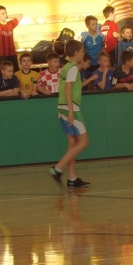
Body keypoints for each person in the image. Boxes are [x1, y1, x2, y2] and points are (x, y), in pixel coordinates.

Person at [49, 40, 91, 188]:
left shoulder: (65, 68)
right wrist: (71, 111)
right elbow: (67, 89)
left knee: (72, 143)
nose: (84, 53)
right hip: (70, 108)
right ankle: (57, 168)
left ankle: (72, 178)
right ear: (76, 53)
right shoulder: (73, 68)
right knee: (84, 142)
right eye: (82, 51)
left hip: (61, 108)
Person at [0, 4, 22, 74]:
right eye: (2, 14)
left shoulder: (10, 24)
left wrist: (7, 16)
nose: (5, 15)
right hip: (2, 55)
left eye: (5, 13)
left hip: (12, 54)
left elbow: (20, 16)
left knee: (15, 73)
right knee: (2, 74)